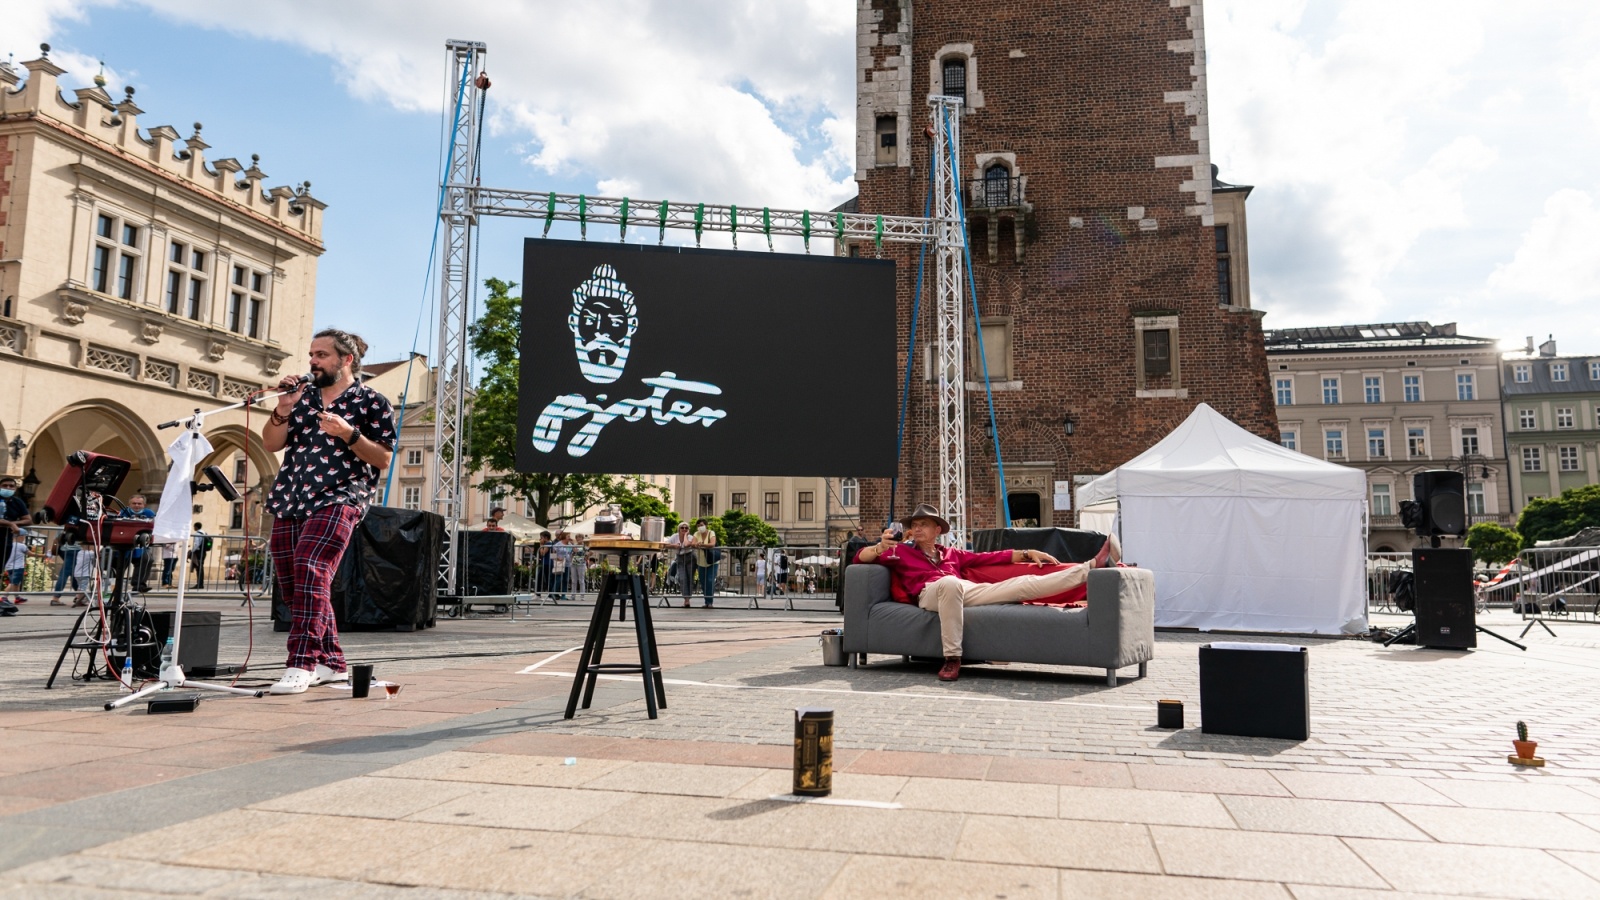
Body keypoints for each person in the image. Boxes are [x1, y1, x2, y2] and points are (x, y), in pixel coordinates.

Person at [261, 328, 397, 695]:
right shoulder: (302, 399)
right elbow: (272, 443)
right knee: (295, 582)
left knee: (311, 567)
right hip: (292, 494)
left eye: (321, 355)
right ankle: (332, 662)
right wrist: (283, 409)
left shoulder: (371, 401)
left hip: (341, 495)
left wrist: (348, 434)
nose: (312, 361)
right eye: (311, 354)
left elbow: (384, 458)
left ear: (346, 359)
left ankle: (301, 661)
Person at [855, 503, 1116, 682]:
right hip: (930, 594)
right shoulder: (899, 551)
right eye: (916, 524)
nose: (919, 528)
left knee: (1022, 584)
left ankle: (1092, 567)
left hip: (965, 592)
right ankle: (952, 658)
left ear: (937, 531)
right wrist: (880, 546)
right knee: (949, 584)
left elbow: (988, 557)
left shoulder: (951, 554)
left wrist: (1026, 552)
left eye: (925, 524)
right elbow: (859, 558)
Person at [118, 494, 157, 593]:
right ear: (129, 504)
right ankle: (116, 585)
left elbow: (155, 526)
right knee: (119, 562)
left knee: (147, 558)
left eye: (139, 503)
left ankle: (139, 585)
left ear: (144, 505)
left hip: (141, 544)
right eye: (134, 503)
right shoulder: (123, 512)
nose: (137, 506)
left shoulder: (149, 513)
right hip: (125, 543)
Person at [665, 522, 695, 607]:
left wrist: (685, 536)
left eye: (686, 528)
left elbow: (686, 544)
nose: (684, 529)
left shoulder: (690, 537)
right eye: (682, 528)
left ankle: (687, 599)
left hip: (690, 557)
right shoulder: (674, 536)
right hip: (680, 558)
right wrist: (674, 546)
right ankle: (686, 599)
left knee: (690, 578)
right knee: (682, 578)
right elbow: (666, 544)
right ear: (679, 529)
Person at [693, 518, 718, 608]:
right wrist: (696, 544)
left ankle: (710, 601)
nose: (700, 527)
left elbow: (712, 544)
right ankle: (706, 601)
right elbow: (693, 543)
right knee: (703, 582)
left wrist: (702, 544)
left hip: (712, 562)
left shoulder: (711, 533)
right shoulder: (696, 534)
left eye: (702, 525)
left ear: (706, 525)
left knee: (710, 580)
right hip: (701, 562)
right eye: (698, 526)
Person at [190, 523, 211, 589]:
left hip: (199, 552)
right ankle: (200, 584)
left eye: (194, 526)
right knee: (201, 568)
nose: (194, 528)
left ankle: (199, 584)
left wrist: (192, 551)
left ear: (196, 527)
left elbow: (197, 544)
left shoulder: (197, 534)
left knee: (199, 568)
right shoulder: (204, 533)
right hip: (203, 552)